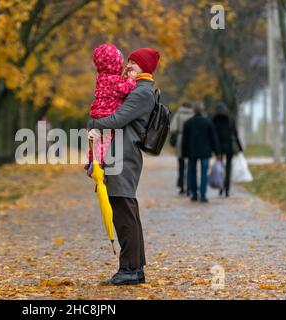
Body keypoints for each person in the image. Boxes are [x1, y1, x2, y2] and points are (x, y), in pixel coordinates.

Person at [88, 47, 160, 285]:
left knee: (123, 213)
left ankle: (129, 269)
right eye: (128, 62)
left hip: (123, 156)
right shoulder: (139, 89)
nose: (128, 66)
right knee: (128, 211)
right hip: (121, 154)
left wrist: (92, 122)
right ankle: (135, 268)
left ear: (145, 68)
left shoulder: (141, 92)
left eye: (134, 64)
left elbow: (118, 119)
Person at [86, 44, 137, 173]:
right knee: (106, 142)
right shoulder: (114, 80)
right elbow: (126, 89)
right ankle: (99, 163)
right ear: (115, 64)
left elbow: (116, 87)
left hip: (98, 112)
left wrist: (124, 77)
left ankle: (91, 159)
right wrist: (131, 79)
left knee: (97, 141)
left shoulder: (102, 78)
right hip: (108, 114)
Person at [182, 103, 220, 203]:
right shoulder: (208, 122)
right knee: (204, 173)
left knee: (192, 173)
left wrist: (183, 152)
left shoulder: (188, 123)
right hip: (205, 152)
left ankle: (194, 194)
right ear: (202, 111)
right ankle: (203, 195)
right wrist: (217, 151)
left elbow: (184, 140)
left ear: (193, 111)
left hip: (192, 151)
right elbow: (213, 138)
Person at [212, 102, 243, 197]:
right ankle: (227, 189)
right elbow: (235, 133)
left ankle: (221, 188)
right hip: (229, 146)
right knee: (228, 168)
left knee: (220, 168)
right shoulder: (230, 119)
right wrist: (239, 147)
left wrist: (213, 147)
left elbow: (213, 134)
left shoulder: (214, 120)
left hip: (219, 147)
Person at [169, 101, 194, 195]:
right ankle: (189, 187)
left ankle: (181, 186)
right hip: (191, 140)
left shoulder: (178, 115)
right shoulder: (193, 114)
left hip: (180, 139)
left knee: (181, 165)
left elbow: (173, 128)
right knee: (190, 165)